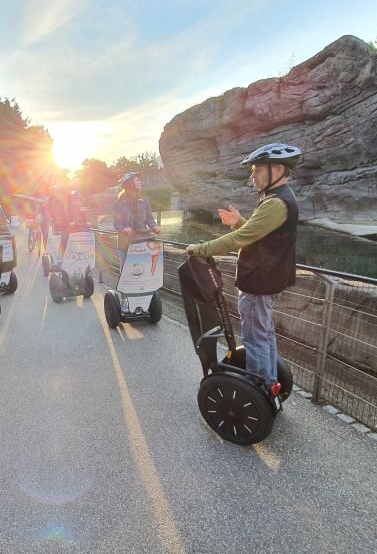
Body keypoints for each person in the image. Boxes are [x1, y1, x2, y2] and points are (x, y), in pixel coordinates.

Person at [184, 143, 302, 390]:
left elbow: (239, 240)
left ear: (278, 169)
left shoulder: (275, 203)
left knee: (256, 339)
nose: (253, 176)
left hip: (258, 281)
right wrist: (239, 222)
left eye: (258, 170)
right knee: (265, 335)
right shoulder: (279, 198)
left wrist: (201, 248)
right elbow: (259, 235)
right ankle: (270, 384)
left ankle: (259, 387)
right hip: (268, 279)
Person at [112, 171, 161, 265]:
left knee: (143, 271)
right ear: (130, 183)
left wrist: (154, 226)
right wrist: (123, 229)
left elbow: (149, 219)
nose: (140, 182)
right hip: (125, 244)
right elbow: (117, 223)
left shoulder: (144, 201)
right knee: (126, 273)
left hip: (142, 242)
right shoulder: (119, 203)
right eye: (138, 180)